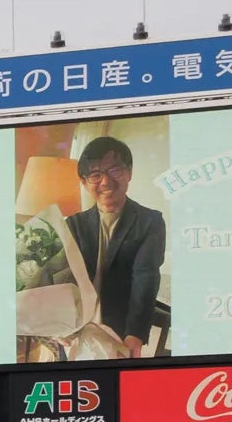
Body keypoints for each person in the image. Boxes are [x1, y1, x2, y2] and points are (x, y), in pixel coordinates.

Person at [61, 137, 170, 358]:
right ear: (84, 182)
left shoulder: (150, 221)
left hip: (120, 333)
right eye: (95, 175)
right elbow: (62, 279)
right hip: (76, 331)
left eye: (114, 170)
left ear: (129, 173)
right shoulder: (73, 224)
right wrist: (58, 325)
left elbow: (145, 277)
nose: (105, 182)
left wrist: (136, 334)